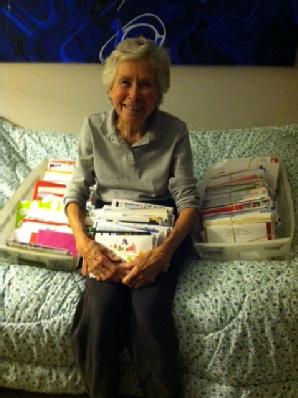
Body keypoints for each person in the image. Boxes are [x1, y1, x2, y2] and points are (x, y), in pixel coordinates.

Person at [64, 36, 200, 398]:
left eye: (146, 83)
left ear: (160, 91)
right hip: (107, 231)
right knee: (101, 307)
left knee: (148, 310)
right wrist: (85, 244)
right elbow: (75, 193)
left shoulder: (175, 132)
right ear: (110, 89)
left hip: (159, 233)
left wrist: (164, 254)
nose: (134, 94)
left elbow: (189, 202)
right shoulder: (93, 128)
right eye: (125, 82)